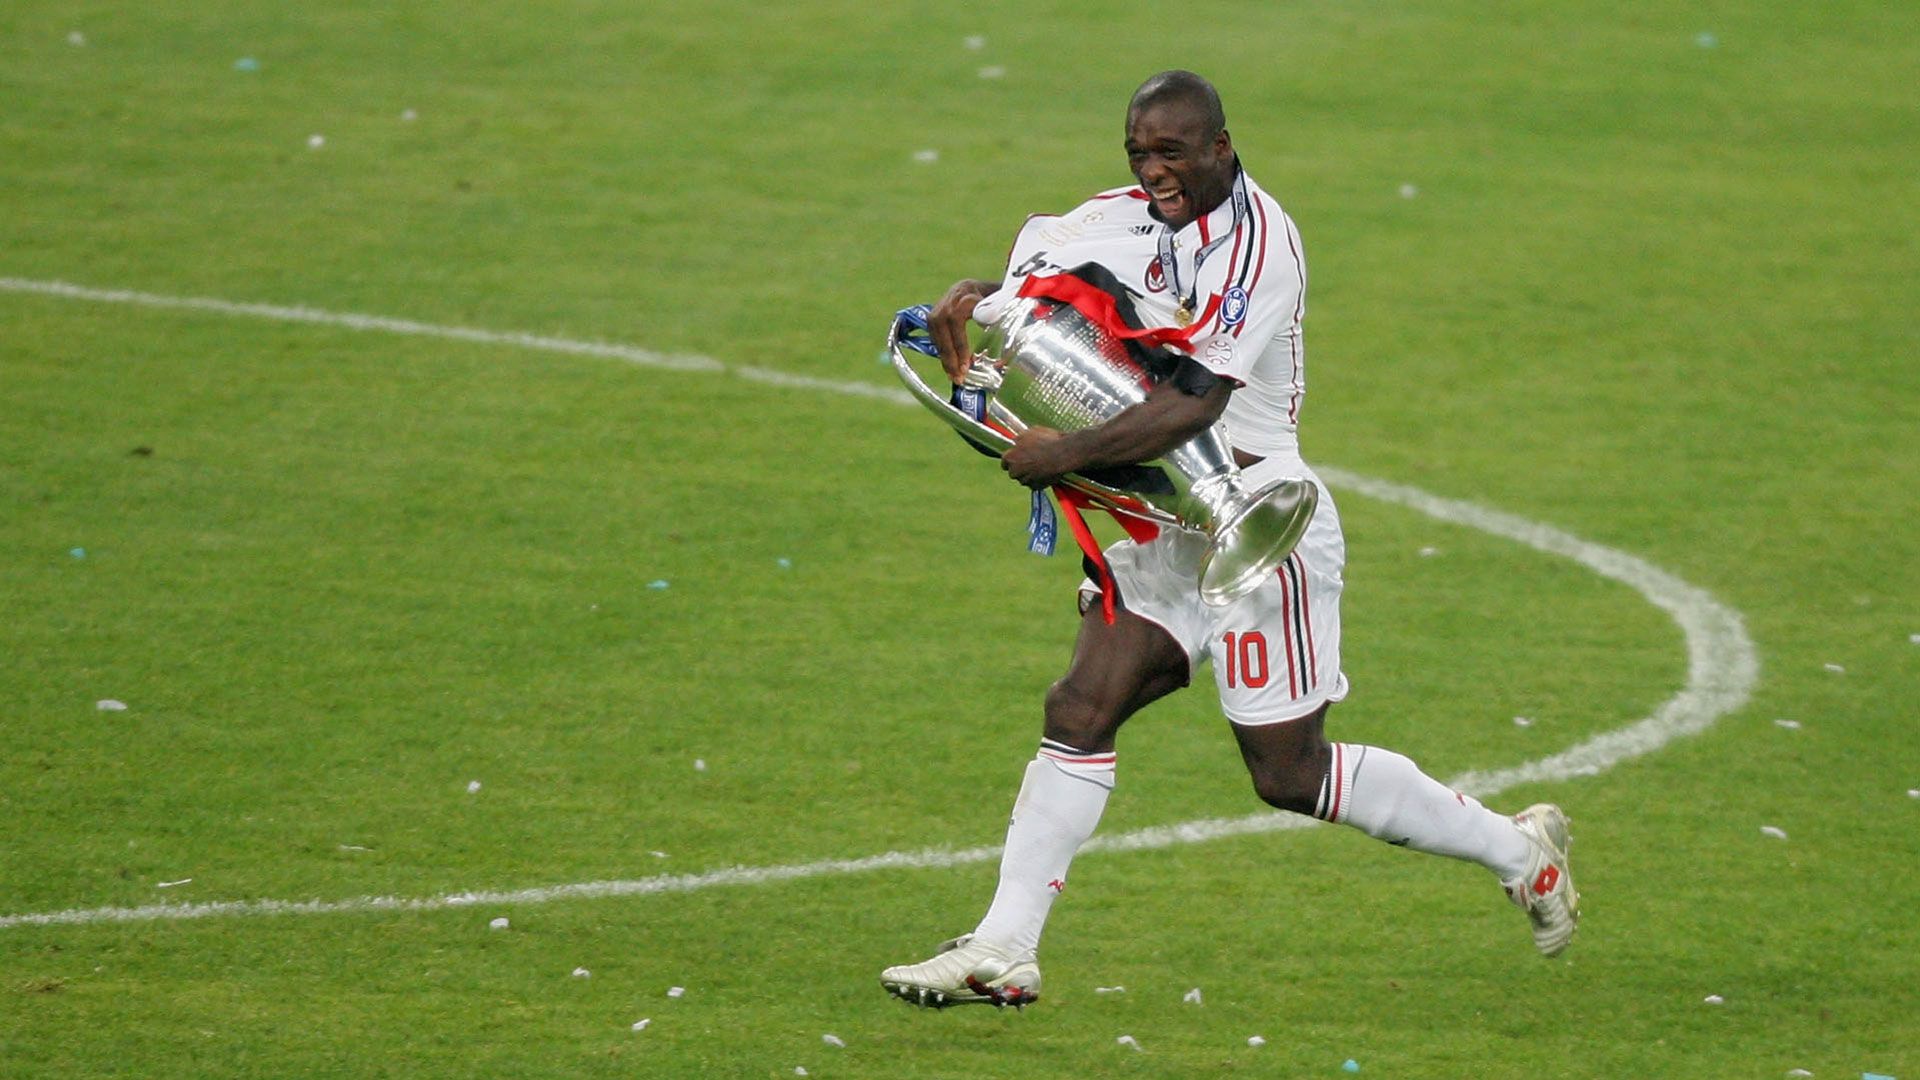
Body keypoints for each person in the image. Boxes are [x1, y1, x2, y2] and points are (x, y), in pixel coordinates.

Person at [881, 71, 1578, 1009]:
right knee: (1081, 707)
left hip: (1259, 517)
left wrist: (1066, 454)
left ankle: (1518, 851)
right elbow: (1041, 320)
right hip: (1161, 520)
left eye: (1172, 152)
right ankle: (1004, 947)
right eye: (1140, 152)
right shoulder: (1113, 218)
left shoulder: (1260, 243)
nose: (1155, 170)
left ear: (1220, 146)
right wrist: (977, 326)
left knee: (1287, 773)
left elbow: (1195, 402)